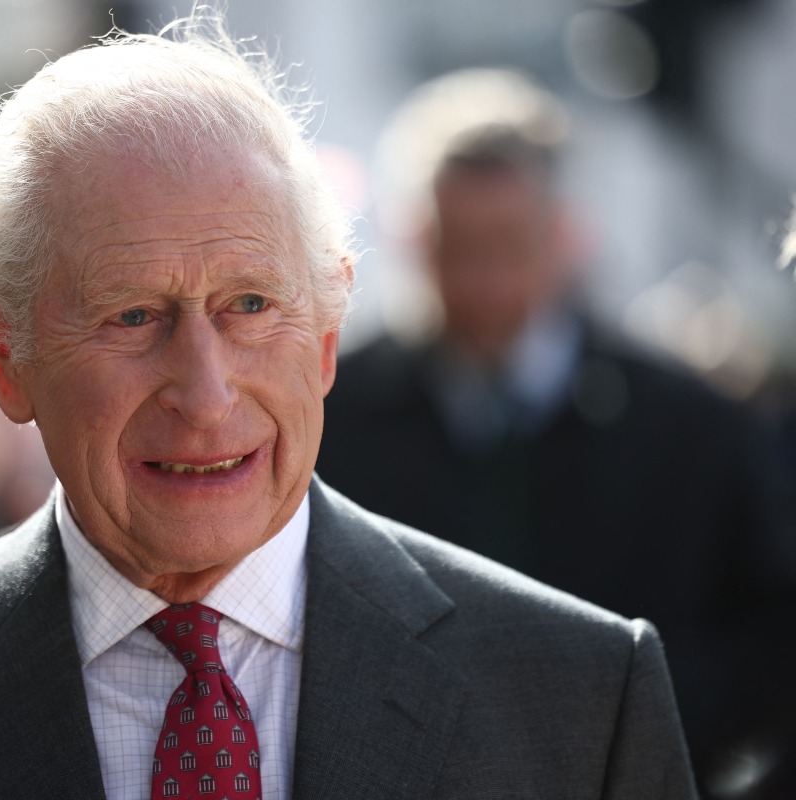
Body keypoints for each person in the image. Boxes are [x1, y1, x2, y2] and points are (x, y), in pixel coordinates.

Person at [0, 13, 696, 798]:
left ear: (325, 331)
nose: (206, 390)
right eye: (133, 315)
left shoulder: (580, 700)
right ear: (1, 351)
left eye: (251, 306)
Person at [315, 68, 796, 795]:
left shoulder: (691, 427)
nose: (485, 283)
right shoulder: (328, 416)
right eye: (458, 247)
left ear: (567, 235)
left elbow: (768, 636)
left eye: (508, 245)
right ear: (413, 239)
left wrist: (660, 721)